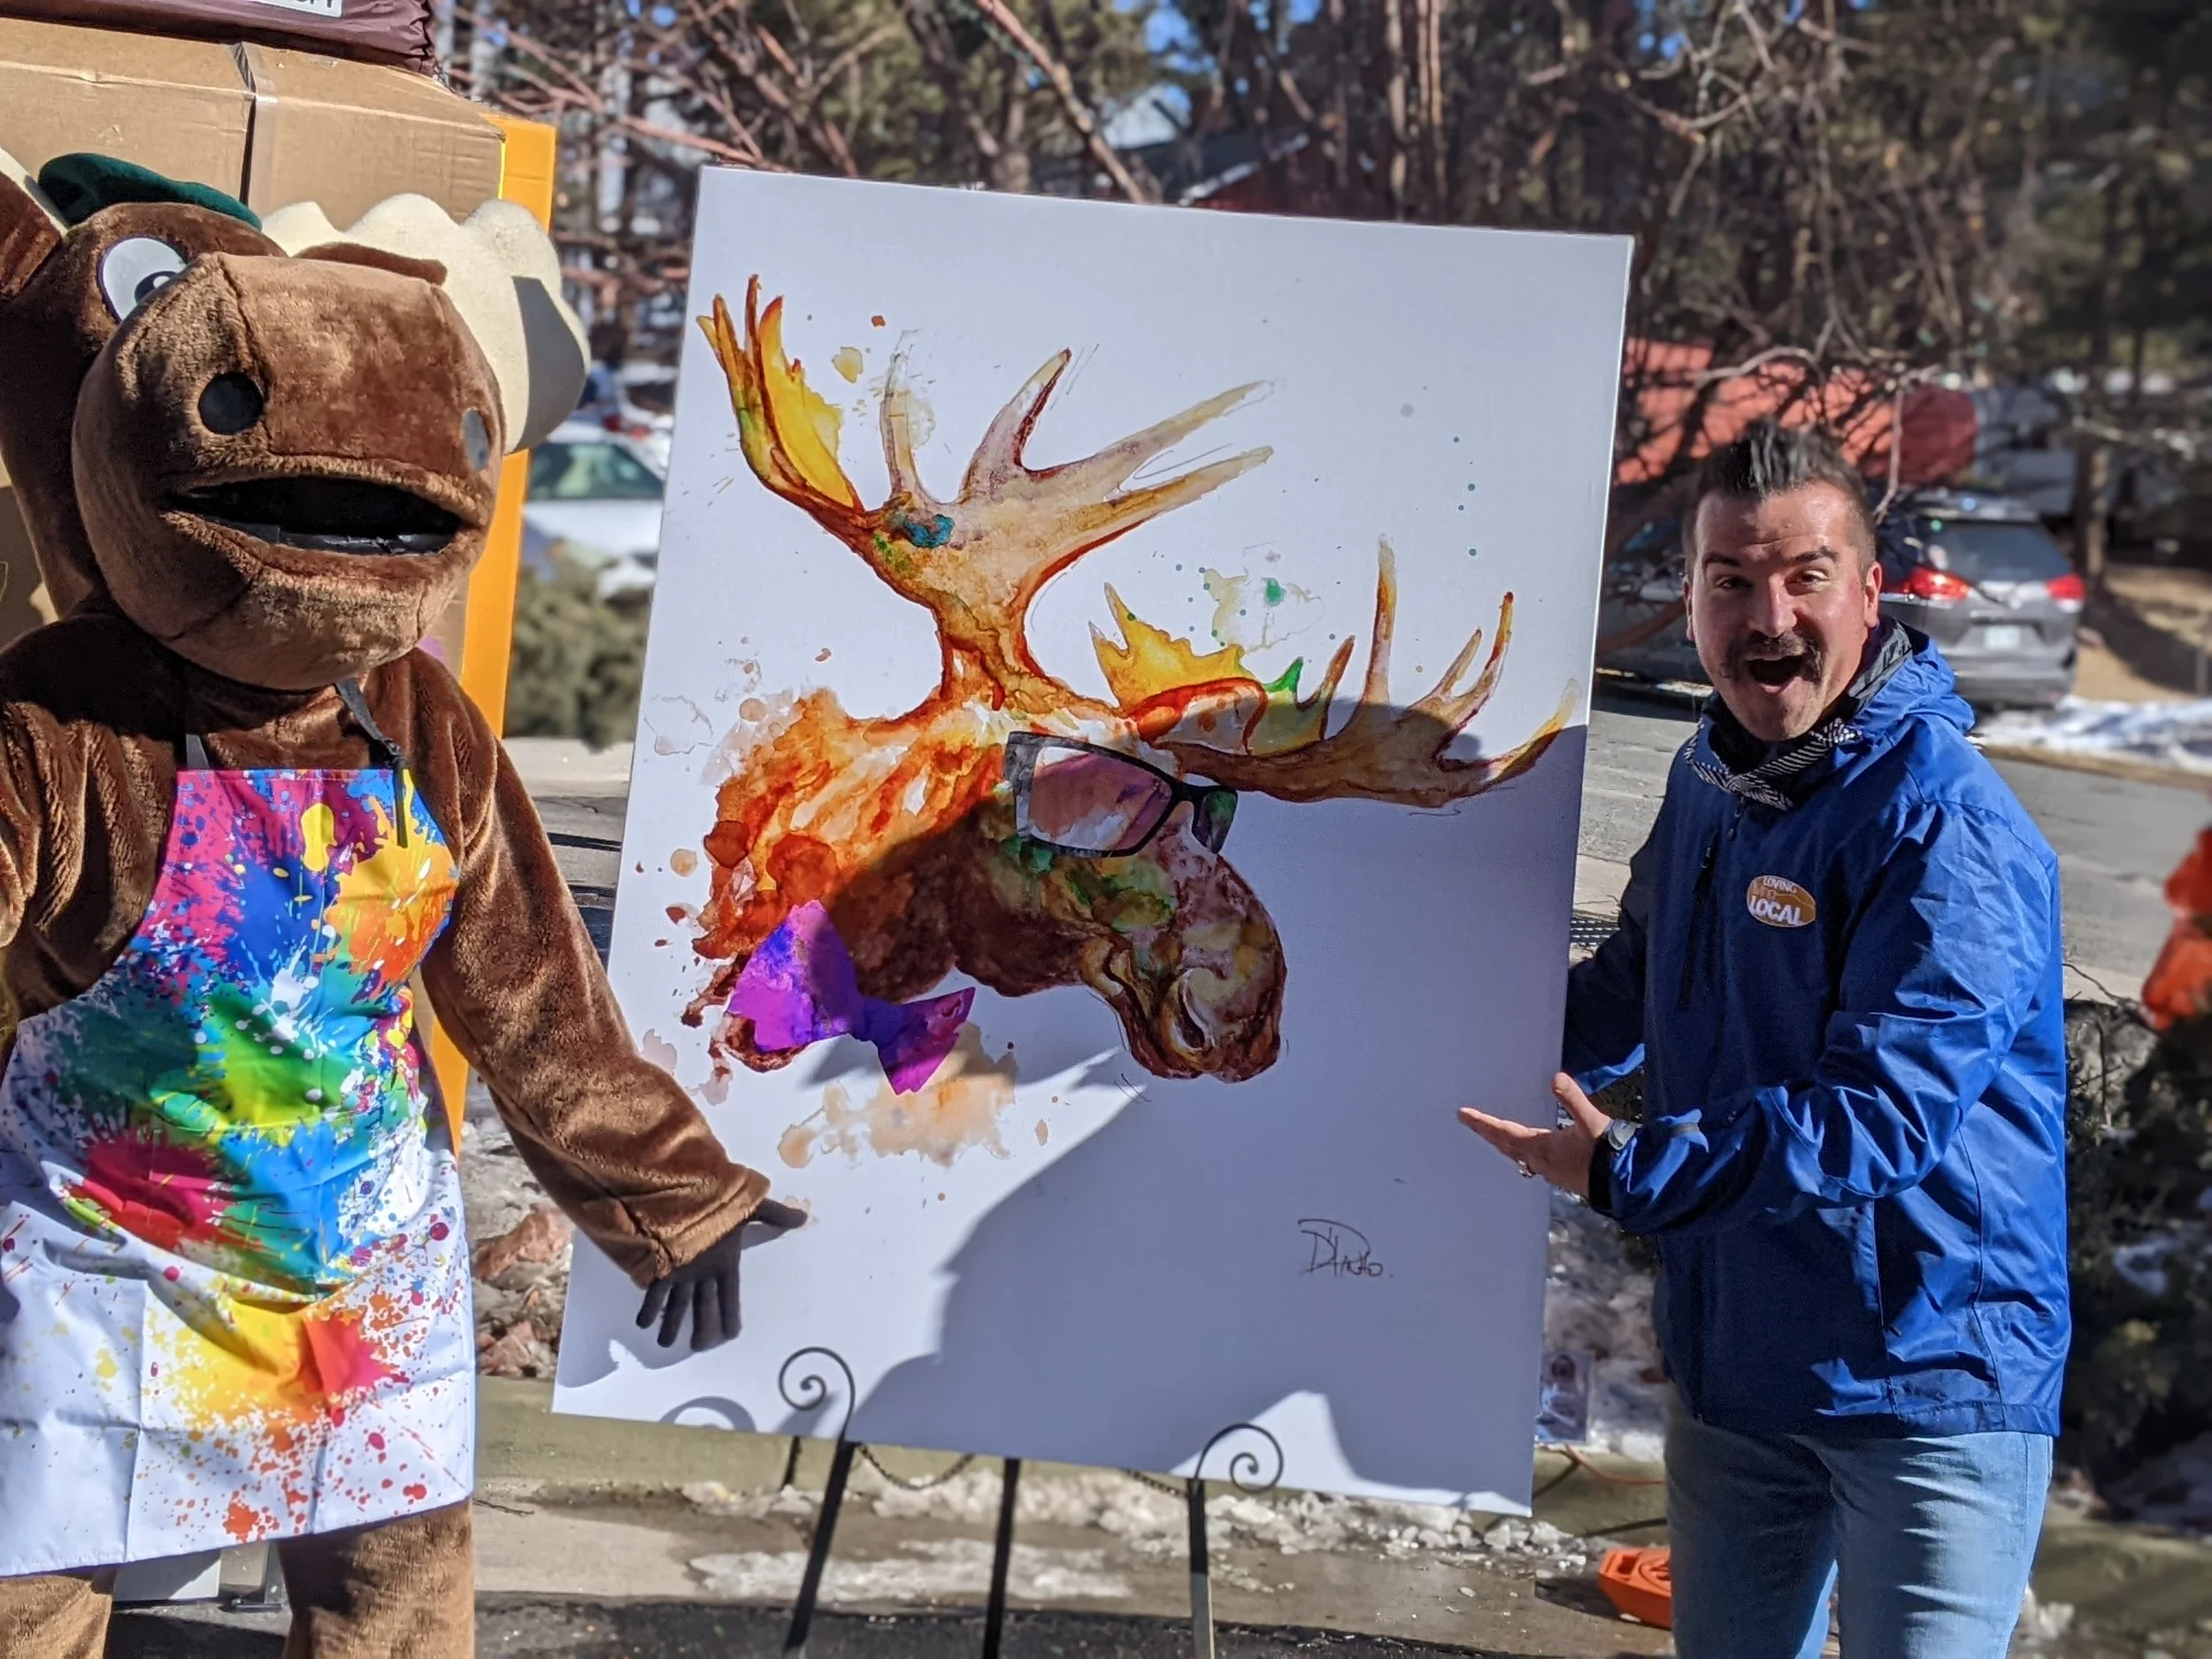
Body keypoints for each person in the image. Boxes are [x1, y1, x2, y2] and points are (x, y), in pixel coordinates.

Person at [1461, 419, 2069, 1658]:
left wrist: (1629, 1169)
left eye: (1805, 576)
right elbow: (1634, 986)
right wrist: (1429, 1037)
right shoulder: (1709, 779)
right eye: (1731, 579)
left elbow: (1885, 1114)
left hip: (1928, 1381)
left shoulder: (1942, 822)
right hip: (1741, 1371)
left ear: (1869, 592)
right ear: (1691, 599)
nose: (1768, 617)